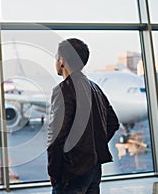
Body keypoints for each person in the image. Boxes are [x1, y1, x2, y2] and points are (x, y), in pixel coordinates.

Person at [47, 38, 119, 194]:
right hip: (93, 169)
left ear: (62, 61)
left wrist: (53, 171)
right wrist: (91, 147)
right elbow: (113, 123)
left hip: (71, 172)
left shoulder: (63, 90)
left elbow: (57, 136)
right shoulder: (95, 87)